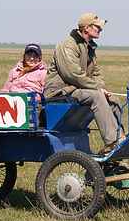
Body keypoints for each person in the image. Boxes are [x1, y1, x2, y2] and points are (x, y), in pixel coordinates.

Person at [44, 13, 123, 156]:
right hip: (62, 90)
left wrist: (102, 87)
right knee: (97, 97)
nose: (100, 29)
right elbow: (72, 75)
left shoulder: (88, 47)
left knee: (114, 100)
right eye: (97, 26)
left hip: (77, 89)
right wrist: (97, 89)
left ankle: (121, 139)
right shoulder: (67, 45)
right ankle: (113, 142)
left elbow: (96, 73)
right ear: (86, 28)